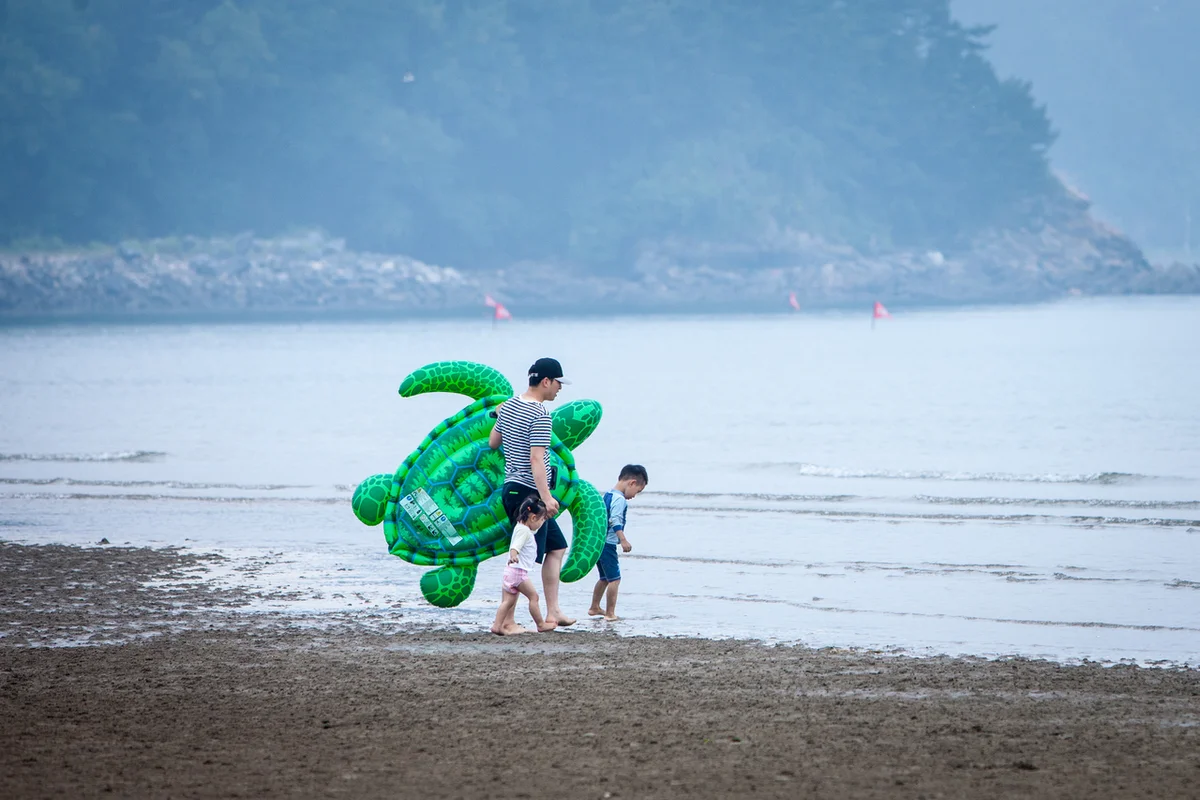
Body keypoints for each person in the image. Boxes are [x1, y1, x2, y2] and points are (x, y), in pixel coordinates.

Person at [488, 357, 576, 627]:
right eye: (558, 383)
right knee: (521, 558)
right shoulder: (540, 414)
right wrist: (547, 498)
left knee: (557, 547)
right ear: (546, 381)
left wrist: (502, 416)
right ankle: (507, 620)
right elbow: (536, 459)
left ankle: (553, 611)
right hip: (530, 492)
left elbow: (493, 442)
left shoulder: (510, 406)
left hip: (512, 488)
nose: (560, 389)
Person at [587, 464, 648, 622]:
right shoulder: (619, 499)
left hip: (599, 542)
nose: (635, 495)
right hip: (608, 543)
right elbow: (615, 520)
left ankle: (594, 607)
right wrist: (623, 539)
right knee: (615, 578)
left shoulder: (608, 494)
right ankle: (610, 613)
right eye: (638, 491)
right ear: (632, 483)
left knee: (605, 577)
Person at [490, 496, 556, 635]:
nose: (542, 523)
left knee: (507, 602)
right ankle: (541, 624)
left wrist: (544, 515)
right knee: (534, 597)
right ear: (532, 518)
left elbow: (532, 531)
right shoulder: (524, 531)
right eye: (542, 519)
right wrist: (514, 555)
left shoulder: (521, 527)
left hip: (510, 572)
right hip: (518, 572)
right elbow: (515, 546)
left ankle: (497, 626)